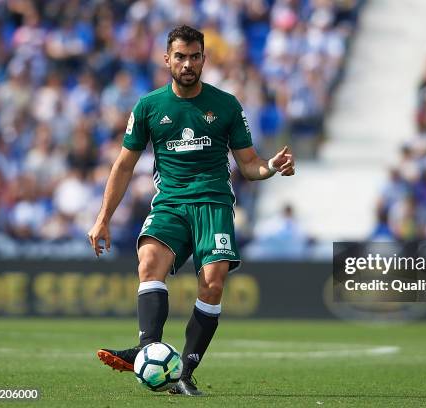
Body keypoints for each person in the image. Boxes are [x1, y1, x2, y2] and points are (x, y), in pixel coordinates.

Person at [87, 25, 295, 396]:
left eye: (194, 56)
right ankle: (148, 346)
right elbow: (122, 166)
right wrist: (103, 218)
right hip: (170, 202)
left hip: (214, 203)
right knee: (149, 261)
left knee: (212, 284)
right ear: (167, 59)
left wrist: (271, 167)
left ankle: (184, 369)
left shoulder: (226, 105)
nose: (187, 64)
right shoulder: (149, 106)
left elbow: (248, 164)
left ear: (204, 59)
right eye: (179, 56)